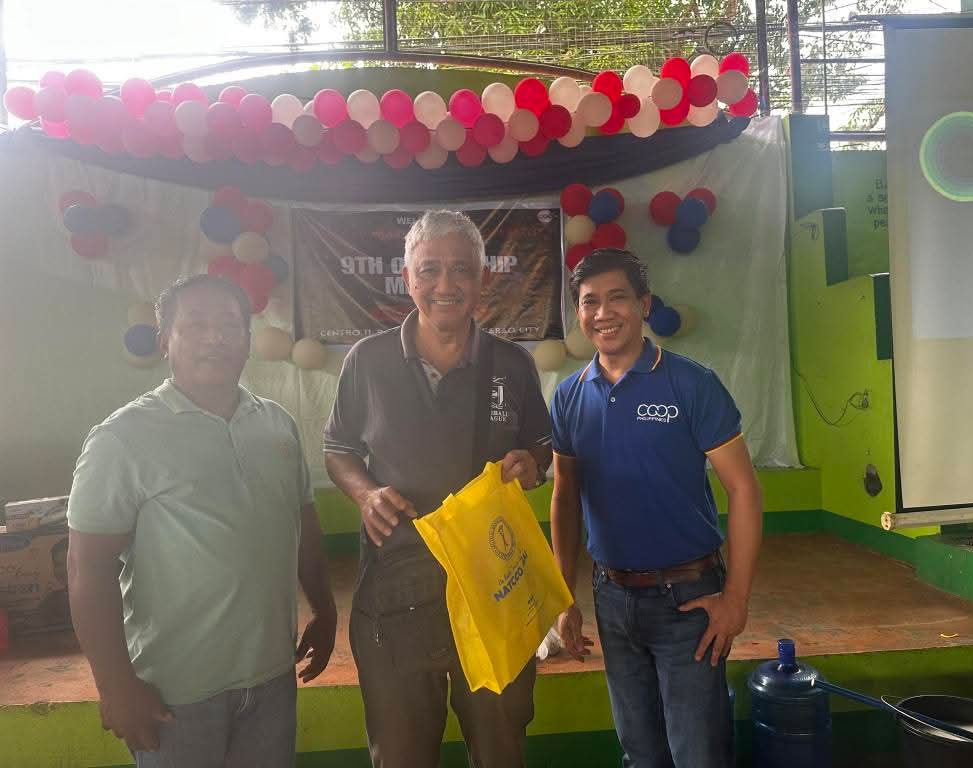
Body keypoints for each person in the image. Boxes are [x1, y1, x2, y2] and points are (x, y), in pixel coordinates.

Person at [67, 274, 336, 767]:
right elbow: (87, 568)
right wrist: (115, 686)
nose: (215, 337)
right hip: (176, 692)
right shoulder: (121, 439)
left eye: (230, 326)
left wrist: (325, 609)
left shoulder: (277, 425)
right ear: (164, 340)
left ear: (247, 341)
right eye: (195, 324)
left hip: (272, 678)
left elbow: (303, 523)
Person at [324, 210, 552, 768]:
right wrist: (365, 494)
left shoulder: (512, 364)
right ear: (407, 278)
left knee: (501, 750)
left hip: (494, 591)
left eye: (461, 270)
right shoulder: (368, 361)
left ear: (482, 278)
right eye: (429, 270)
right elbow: (338, 449)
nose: (445, 285)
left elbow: (542, 450)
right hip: (395, 592)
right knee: (401, 753)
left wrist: (532, 463)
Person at [549, 249, 763, 768]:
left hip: (689, 600)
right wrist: (563, 596)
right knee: (640, 751)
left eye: (617, 298)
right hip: (612, 597)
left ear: (644, 304)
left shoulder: (691, 383)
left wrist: (736, 598)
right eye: (590, 302)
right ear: (578, 313)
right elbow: (565, 495)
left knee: (699, 754)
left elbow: (744, 490)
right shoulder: (569, 396)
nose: (604, 313)